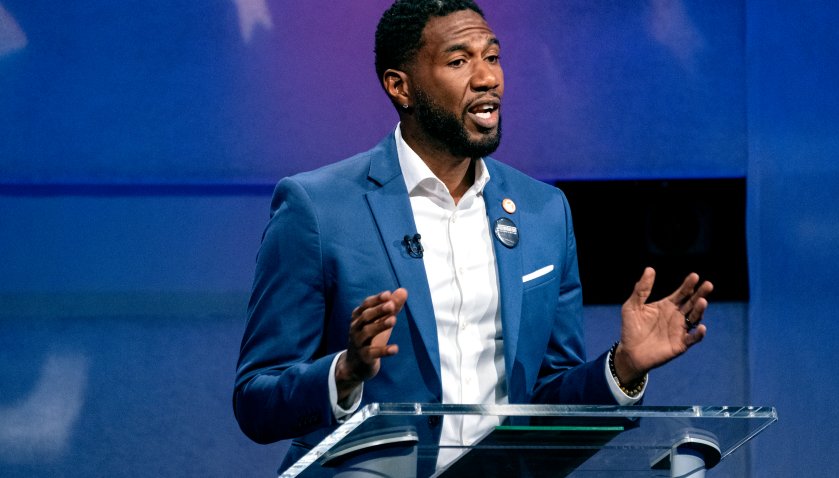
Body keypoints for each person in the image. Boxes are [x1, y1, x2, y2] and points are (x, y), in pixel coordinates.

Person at [233, 0, 713, 473]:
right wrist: (343, 373)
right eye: (459, 61)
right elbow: (257, 397)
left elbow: (546, 396)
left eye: (493, 56)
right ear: (401, 87)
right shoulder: (318, 207)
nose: (487, 78)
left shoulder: (543, 211)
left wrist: (622, 367)